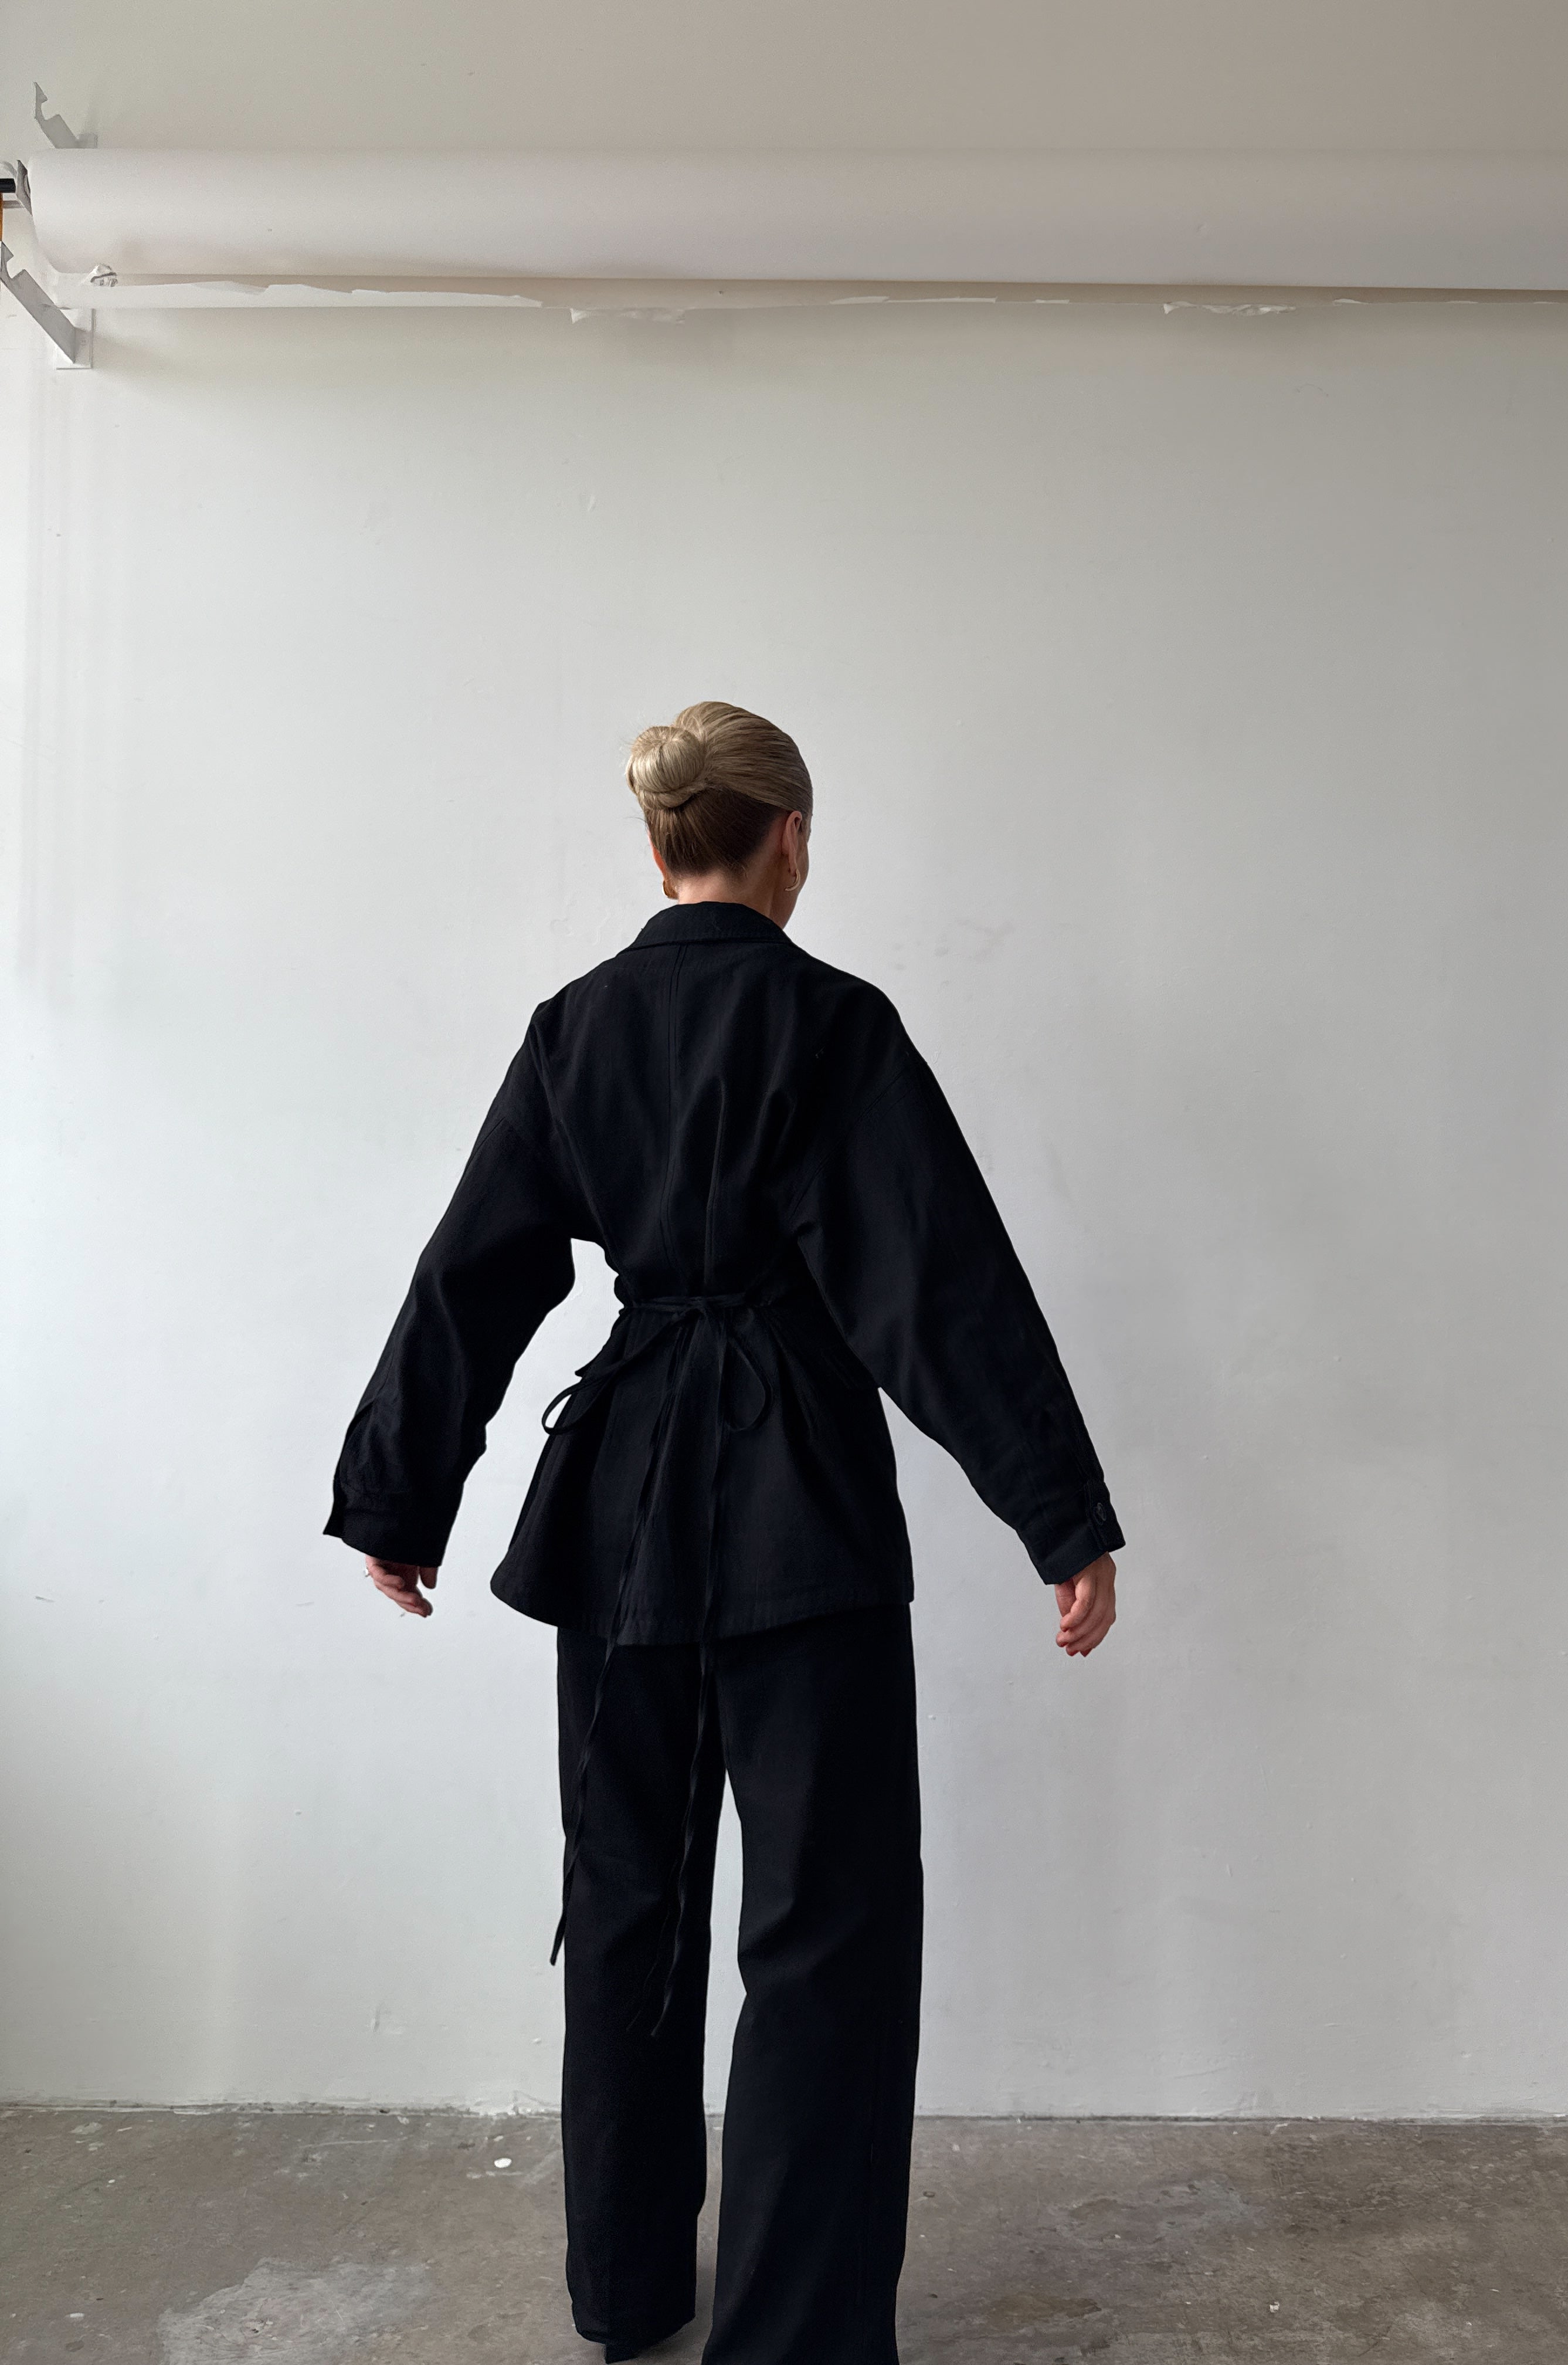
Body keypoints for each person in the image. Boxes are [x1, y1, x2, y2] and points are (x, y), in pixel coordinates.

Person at [324, 701, 1122, 2364]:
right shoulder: (835, 1026)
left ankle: (626, 2294)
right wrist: (1057, 1514)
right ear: (790, 840)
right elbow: (936, 1288)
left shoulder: (575, 1027)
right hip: (799, 1511)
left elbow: (474, 1270)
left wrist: (402, 1494)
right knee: (826, 1926)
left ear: (658, 846)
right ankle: (796, 2334)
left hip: (618, 1512)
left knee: (627, 1899)